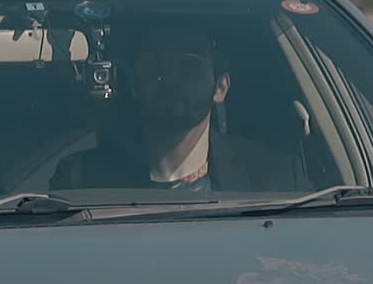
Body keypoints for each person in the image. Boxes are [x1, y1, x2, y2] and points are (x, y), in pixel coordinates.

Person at [50, 19, 310, 193]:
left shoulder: (278, 181)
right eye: (155, 68)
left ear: (221, 86)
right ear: (133, 84)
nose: (171, 81)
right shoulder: (81, 181)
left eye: (189, 67)